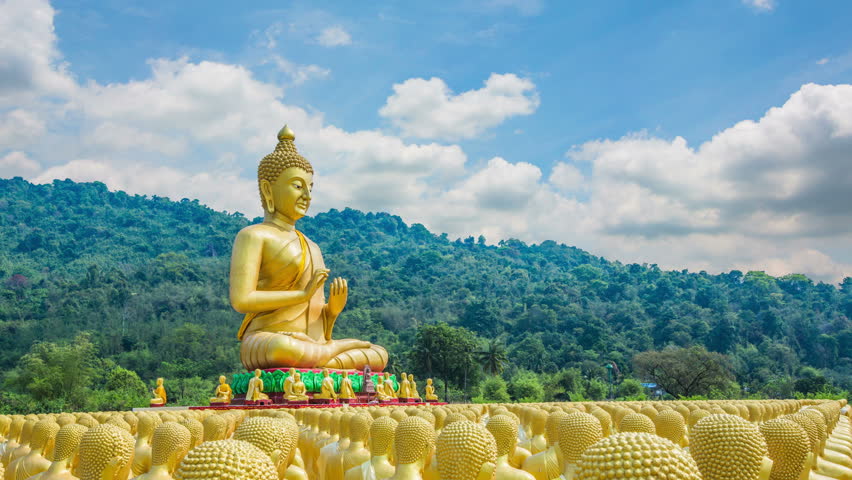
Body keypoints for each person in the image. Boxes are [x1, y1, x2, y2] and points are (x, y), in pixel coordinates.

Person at [230, 125, 388, 371]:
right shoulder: (254, 235)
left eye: (310, 188)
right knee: (283, 349)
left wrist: (331, 311)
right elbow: (242, 300)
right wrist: (301, 295)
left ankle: (322, 356)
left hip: (310, 344)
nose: (307, 196)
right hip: (270, 339)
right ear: (267, 189)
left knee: (379, 355)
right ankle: (330, 354)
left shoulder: (312, 246)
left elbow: (314, 314)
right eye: (297, 186)